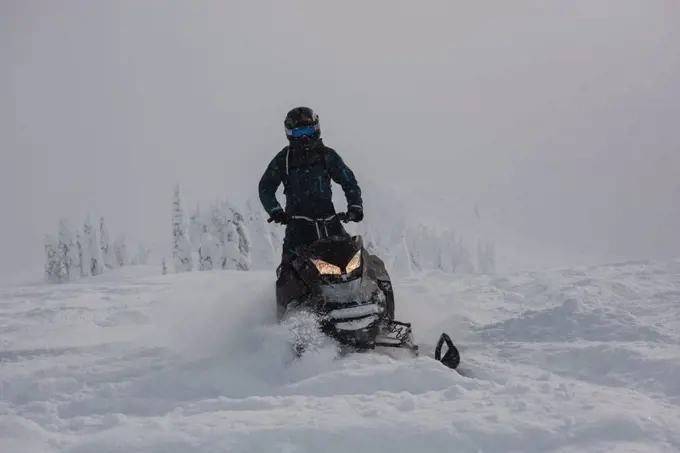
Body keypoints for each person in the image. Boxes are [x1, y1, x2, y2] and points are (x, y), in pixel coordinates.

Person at [258, 106, 364, 280]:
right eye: (299, 133)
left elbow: (348, 180)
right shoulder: (283, 160)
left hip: (329, 222)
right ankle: (289, 304)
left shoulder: (327, 156)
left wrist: (355, 206)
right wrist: (276, 211)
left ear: (316, 129)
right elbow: (265, 187)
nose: (304, 137)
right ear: (290, 135)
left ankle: (370, 293)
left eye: (308, 131)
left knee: (353, 257)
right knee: (288, 269)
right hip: (298, 225)